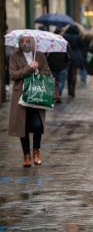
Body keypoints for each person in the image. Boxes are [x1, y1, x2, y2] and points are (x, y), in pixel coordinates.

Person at [8, 36, 51, 167]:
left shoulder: (40, 55)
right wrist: (29, 68)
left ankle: (36, 152)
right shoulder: (14, 56)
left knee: (38, 125)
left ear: (32, 42)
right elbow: (13, 75)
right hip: (21, 96)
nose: (25, 44)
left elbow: (48, 73)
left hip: (37, 95)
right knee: (23, 127)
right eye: (22, 41)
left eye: (27, 41)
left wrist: (37, 70)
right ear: (19, 43)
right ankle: (26, 155)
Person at [63, 25, 84, 98]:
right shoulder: (78, 37)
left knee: (68, 72)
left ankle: (69, 90)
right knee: (74, 73)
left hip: (66, 54)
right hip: (76, 55)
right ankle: (73, 90)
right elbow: (82, 46)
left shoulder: (64, 36)